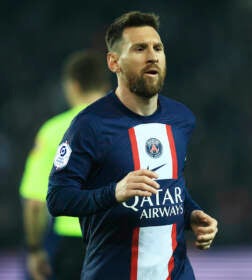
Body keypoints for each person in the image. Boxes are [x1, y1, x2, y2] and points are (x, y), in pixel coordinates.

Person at [47, 11, 218, 280]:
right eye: (140, 48)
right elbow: (57, 199)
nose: (152, 56)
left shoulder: (181, 119)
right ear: (114, 62)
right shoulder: (90, 125)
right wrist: (114, 192)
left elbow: (171, 187)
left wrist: (191, 213)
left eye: (157, 48)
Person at [20, 50, 111, 280]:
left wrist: (34, 250)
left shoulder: (53, 131)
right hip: (122, 242)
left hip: (73, 247)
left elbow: (34, 203)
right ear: (105, 84)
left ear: (72, 86)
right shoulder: (131, 126)